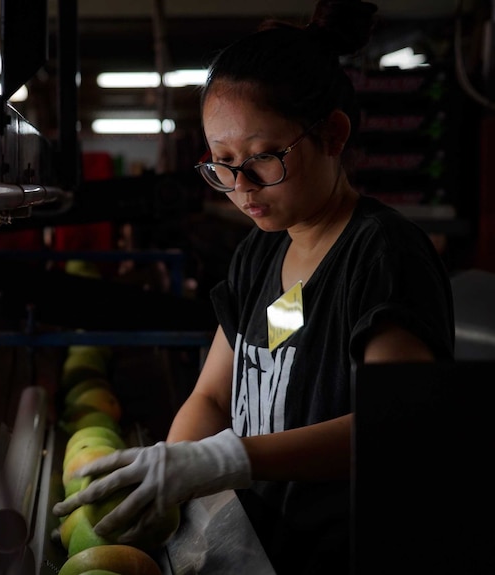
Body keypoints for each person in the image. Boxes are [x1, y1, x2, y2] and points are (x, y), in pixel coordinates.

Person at [52, 1, 455, 573]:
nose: (241, 187)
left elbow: (397, 426)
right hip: (263, 548)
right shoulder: (262, 251)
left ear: (333, 134)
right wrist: (172, 470)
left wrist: (227, 459)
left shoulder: (382, 255)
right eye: (222, 162)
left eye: (264, 158)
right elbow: (215, 395)